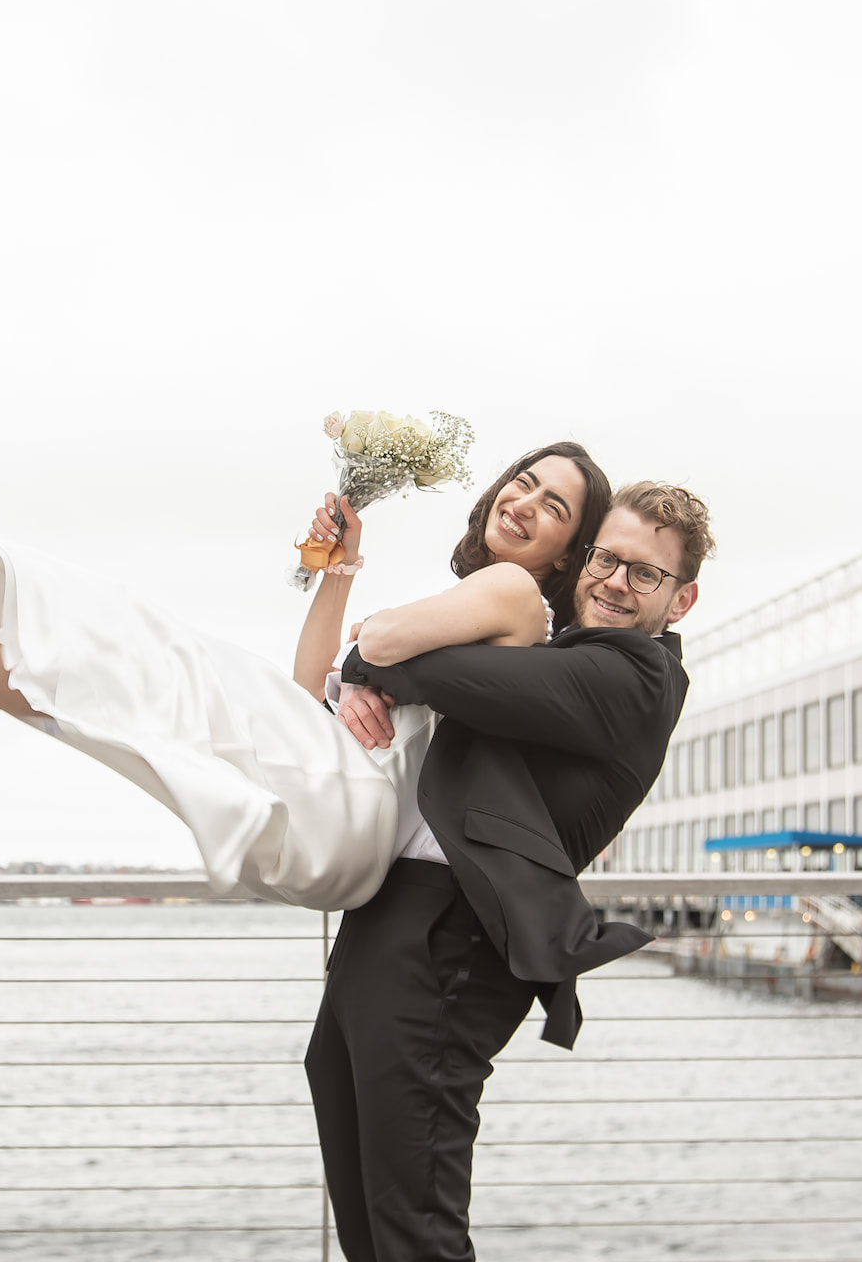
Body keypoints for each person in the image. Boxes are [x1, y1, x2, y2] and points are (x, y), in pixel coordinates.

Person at [0, 444, 607, 912]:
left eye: (553, 506)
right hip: (340, 804)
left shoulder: (517, 596)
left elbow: (376, 642)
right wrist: (341, 573)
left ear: (570, 551)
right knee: (110, 679)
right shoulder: (480, 604)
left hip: (353, 804)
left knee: (137, 657)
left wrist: (378, 664)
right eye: (522, 483)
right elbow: (314, 692)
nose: (524, 503)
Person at [305, 481, 710, 1262]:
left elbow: (455, 680)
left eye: (645, 574)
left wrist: (370, 655)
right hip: (398, 923)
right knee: (368, 1206)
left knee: (414, 1227)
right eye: (606, 559)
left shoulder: (636, 679)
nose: (616, 583)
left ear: (681, 599)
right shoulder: (566, 644)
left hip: (453, 945)